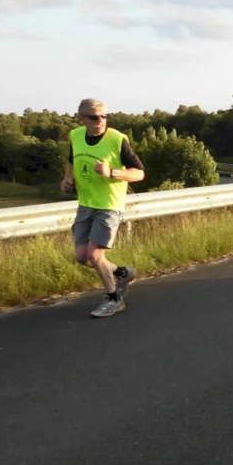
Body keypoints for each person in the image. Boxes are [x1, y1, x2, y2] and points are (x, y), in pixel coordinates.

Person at [60, 98, 146, 318]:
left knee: (95, 255)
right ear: (82, 119)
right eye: (94, 117)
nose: (101, 120)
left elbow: (139, 173)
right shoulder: (75, 136)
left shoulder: (117, 139)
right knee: (82, 257)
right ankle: (123, 273)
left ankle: (114, 299)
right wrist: (67, 179)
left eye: (105, 116)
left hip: (109, 205)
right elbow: (71, 160)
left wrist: (113, 172)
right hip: (86, 203)